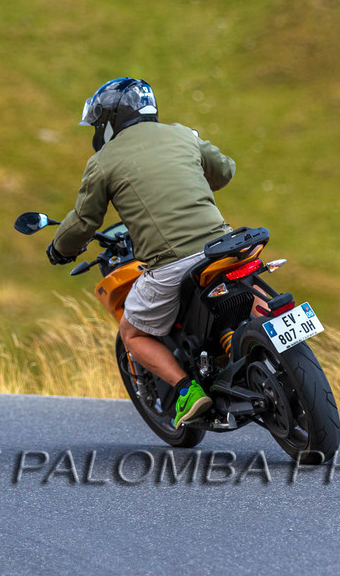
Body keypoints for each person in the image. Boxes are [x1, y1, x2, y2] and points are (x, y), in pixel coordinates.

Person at [46, 78, 235, 427]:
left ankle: (187, 390)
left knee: (132, 333)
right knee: (249, 289)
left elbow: (85, 220)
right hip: (224, 245)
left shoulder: (104, 161)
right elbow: (224, 171)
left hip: (171, 263)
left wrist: (60, 249)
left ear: (111, 120)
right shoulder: (181, 134)